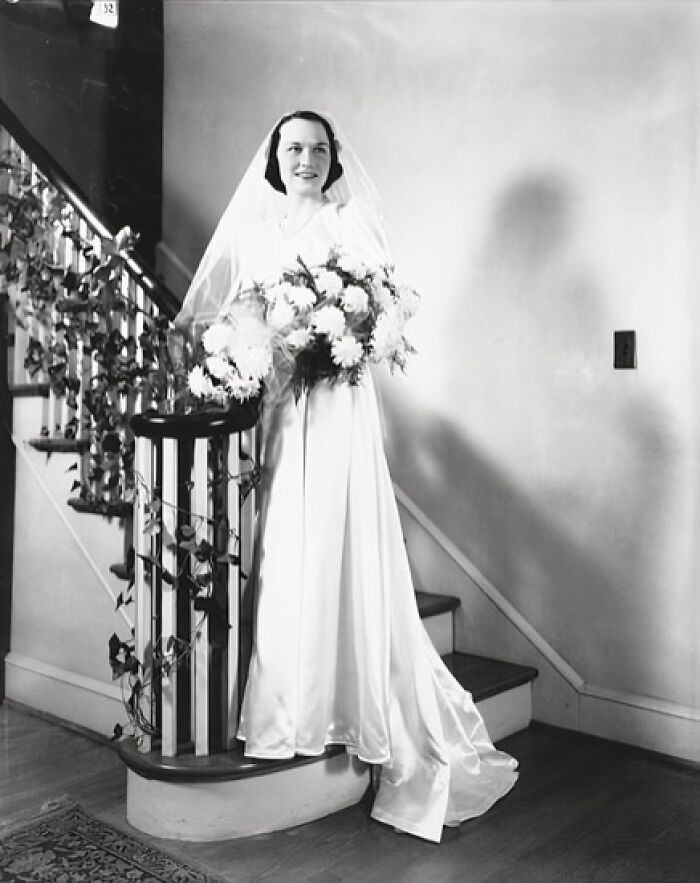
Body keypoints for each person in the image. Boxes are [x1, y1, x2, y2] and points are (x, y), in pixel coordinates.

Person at [173, 110, 518, 843]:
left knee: (335, 536)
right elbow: (235, 322)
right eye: (293, 148)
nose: (305, 159)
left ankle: (348, 706)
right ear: (274, 158)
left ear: (333, 160)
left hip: (336, 410)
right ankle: (289, 710)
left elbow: (380, 319)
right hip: (283, 414)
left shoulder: (348, 224)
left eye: (318, 149)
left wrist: (333, 335)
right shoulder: (256, 233)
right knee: (286, 550)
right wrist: (247, 355)